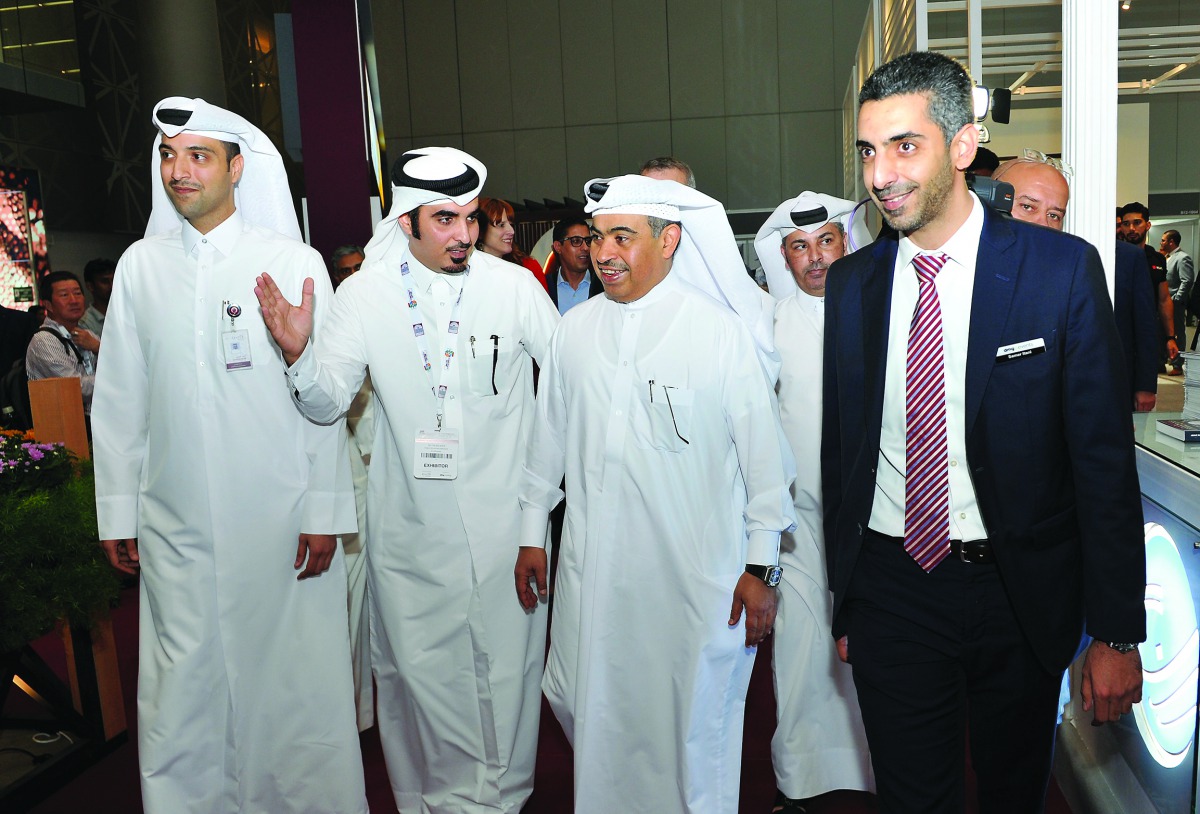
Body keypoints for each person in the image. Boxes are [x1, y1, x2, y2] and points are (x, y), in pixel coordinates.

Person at [825, 51, 1145, 813]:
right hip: (894, 587)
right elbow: (844, 451)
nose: (881, 174)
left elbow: (1101, 462)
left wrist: (1117, 631)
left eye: (906, 146)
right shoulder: (854, 284)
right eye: (869, 151)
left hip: (1019, 589)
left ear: (963, 145)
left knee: (1011, 792)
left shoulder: (1059, 270)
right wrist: (850, 601)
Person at [254, 146, 560, 814]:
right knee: (419, 682)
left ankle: (500, 802)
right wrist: (300, 353)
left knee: (506, 678)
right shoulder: (365, 295)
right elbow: (325, 402)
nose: (463, 236)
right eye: (445, 220)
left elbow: (566, 391)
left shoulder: (513, 288)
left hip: (508, 529)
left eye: (471, 219)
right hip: (409, 536)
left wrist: (538, 521)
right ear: (407, 221)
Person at [91, 97, 367, 814]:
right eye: (168, 156)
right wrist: (117, 511)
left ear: (236, 168)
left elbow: (329, 405)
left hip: (279, 525)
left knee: (292, 691)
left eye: (198, 156)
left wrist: (324, 508)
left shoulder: (291, 261)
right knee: (182, 689)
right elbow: (121, 401)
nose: (179, 171)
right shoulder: (142, 268)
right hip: (174, 526)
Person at [515, 174, 794, 814]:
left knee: (693, 726)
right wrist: (533, 532)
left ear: (669, 241)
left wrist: (762, 567)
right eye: (595, 238)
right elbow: (546, 441)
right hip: (597, 578)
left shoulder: (719, 333)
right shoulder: (574, 331)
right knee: (593, 709)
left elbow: (764, 465)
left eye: (622, 237)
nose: (604, 252)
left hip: (695, 583)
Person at [754, 192, 874, 812]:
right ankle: (801, 781)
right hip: (798, 526)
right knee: (801, 653)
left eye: (825, 242)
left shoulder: (879, 312)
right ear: (785, 258)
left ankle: (874, 773)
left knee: (877, 656)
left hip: (876, 525)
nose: (815, 258)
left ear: (846, 243)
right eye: (800, 248)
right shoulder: (768, 326)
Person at [995, 152, 1160, 411]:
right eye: (1027, 207)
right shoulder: (952, 272)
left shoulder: (1075, 273)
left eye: (1054, 215)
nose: (1042, 224)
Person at [328, 241, 375, 730]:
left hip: (395, 477)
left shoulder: (383, 315)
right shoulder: (325, 327)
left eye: (360, 268)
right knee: (347, 604)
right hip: (350, 481)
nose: (352, 277)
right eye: (344, 272)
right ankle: (353, 718)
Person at [26, 271, 99, 415]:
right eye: (64, 295)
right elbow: (76, 388)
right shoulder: (44, 341)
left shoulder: (87, 334)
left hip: (97, 419)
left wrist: (98, 348)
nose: (74, 300)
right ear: (48, 305)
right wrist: (116, 381)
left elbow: (121, 364)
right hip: (65, 425)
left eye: (77, 293)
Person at [1121, 201, 1179, 369]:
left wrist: (1170, 337)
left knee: (1146, 385)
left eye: (1137, 222)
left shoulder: (1157, 259)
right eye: (1126, 224)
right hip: (1119, 331)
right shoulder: (1112, 256)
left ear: (1147, 225)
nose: (1131, 228)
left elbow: (1164, 299)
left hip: (1147, 330)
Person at [476, 196, 548, 289]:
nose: (511, 231)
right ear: (480, 231)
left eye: (511, 224)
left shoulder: (528, 267)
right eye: (501, 225)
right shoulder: (466, 270)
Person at [545, 215, 601, 314]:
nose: (585, 248)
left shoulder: (603, 285)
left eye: (588, 241)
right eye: (576, 241)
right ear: (558, 247)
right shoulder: (545, 287)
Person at [1161, 229, 1194, 372]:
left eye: (1163, 240)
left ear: (1171, 242)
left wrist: (1177, 299)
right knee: (1164, 332)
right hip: (1164, 302)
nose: (1161, 242)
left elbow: (1186, 281)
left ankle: (1177, 364)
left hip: (1174, 303)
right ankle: (1165, 359)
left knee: (1178, 332)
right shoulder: (1167, 257)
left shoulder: (1182, 258)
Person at [79, 257, 116, 337]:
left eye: (114, 280)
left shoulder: (127, 312)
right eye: (105, 282)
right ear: (90, 286)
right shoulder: (85, 323)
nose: (112, 286)